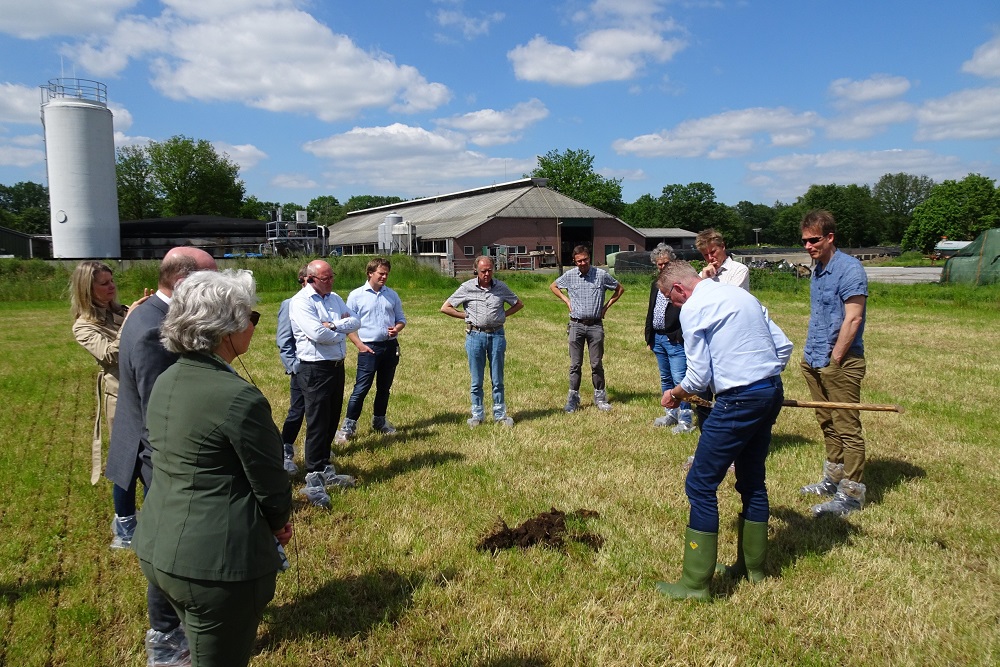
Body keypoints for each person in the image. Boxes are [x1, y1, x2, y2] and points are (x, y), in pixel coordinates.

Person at [134, 269, 293, 667]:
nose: (254, 326)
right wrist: (278, 523)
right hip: (215, 565)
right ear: (227, 330)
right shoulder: (239, 398)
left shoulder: (168, 378)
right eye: (251, 318)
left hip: (157, 544)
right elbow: (270, 483)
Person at [654, 260, 792, 601]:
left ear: (679, 290)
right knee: (751, 480)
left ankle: (695, 584)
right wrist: (759, 379)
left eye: (670, 300)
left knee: (700, 484)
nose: (673, 306)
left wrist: (677, 394)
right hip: (771, 391)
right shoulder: (742, 296)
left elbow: (698, 377)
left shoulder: (693, 308)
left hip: (738, 402)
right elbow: (784, 346)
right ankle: (754, 569)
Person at [107, 245, 217, 665]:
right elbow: (161, 411)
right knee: (172, 545)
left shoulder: (151, 311)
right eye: (211, 277)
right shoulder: (155, 326)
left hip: (154, 449)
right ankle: (167, 637)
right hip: (158, 456)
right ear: (185, 281)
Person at [798, 209, 869, 517]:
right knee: (826, 423)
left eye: (814, 240)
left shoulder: (850, 269)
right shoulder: (817, 270)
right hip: (813, 358)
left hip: (841, 361)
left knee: (847, 427)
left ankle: (852, 495)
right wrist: (811, 359)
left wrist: (835, 360)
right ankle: (833, 479)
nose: (808, 246)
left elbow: (853, 319)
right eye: (804, 241)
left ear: (829, 237)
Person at [70, 261, 149, 493]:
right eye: (104, 283)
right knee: (127, 465)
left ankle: (151, 517)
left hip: (144, 391)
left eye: (112, 280)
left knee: (150, 462)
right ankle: (125, 522)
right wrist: (132, 320)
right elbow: (110, 355)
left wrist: (149, 311)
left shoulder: (121, 311)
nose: (111, 286)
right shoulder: (83, 326)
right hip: (121, 397)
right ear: (87, 289)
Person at [288, 259, 360, 508]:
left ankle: (325, 467)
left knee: (331, 419)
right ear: (310, 279)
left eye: (332, 277)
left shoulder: (335, 298)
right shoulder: (301, 302)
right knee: (317, 421)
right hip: (314, 369)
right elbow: (317, 334)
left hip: (336, 366)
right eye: (325, 278)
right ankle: (313, 476)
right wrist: (338, 331)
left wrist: (335, 326)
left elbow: (355, 322)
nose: (330, 282)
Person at [441, 256, 524, 427]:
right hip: (475, 337)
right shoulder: (467, 288)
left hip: (497, 336)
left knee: (497, 378)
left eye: (489, 270)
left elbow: (518, 304)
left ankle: (500, 415)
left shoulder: (501, 287)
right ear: (476, 271)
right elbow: (445, 307)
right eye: (483, 271)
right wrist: (465, 316)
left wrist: (503, 315)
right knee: (476, 379)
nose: (487, 274)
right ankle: (477, 415)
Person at [336, 257, 407, 443]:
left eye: (386, 274)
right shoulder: (356, 296)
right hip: (369, 348)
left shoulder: (391, 295)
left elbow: (401, 319)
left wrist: (397, 328)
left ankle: (379, 421)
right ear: (370, 273)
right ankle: (348, 427)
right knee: (361, 388)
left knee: (384, 388)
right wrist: (360, 345)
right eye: (381, 273)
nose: (384, 277)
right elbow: (347, 325)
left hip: (389, 347)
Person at [549, 245, 624, 412]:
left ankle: (600, 397)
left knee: (596, 363)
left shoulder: (601, 275)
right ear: (574, 262)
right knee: (575, 364)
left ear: (589, 258)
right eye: (579, 261)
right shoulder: (569, 276)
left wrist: (606, 307)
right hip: (576, 325)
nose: (582, 263)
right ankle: (573, 399)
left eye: (585, 260)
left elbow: (619, 289)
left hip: (595, 325)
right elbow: (553, 286)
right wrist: (566, 300)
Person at [643, 245, 694, 434]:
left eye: (666, 264)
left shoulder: (682, 286)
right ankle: (671, 413)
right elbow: (651, 311)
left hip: (675, 339)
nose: (663, 267)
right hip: (658, 338)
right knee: (665, 378)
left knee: (680, 379)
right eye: (659, 265)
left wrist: (681, 336)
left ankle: (686, 419)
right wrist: (649, 335)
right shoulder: (655, 285)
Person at [275, 265, 309, 475]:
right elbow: (284, 340)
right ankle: (285, 451)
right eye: (310, 280)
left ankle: (317, 450)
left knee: (320, 412)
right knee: (297, 411)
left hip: (322, 368)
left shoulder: (326, 302)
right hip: (302, 368)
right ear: (302, 280)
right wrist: (295, 366)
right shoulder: (290, 304)